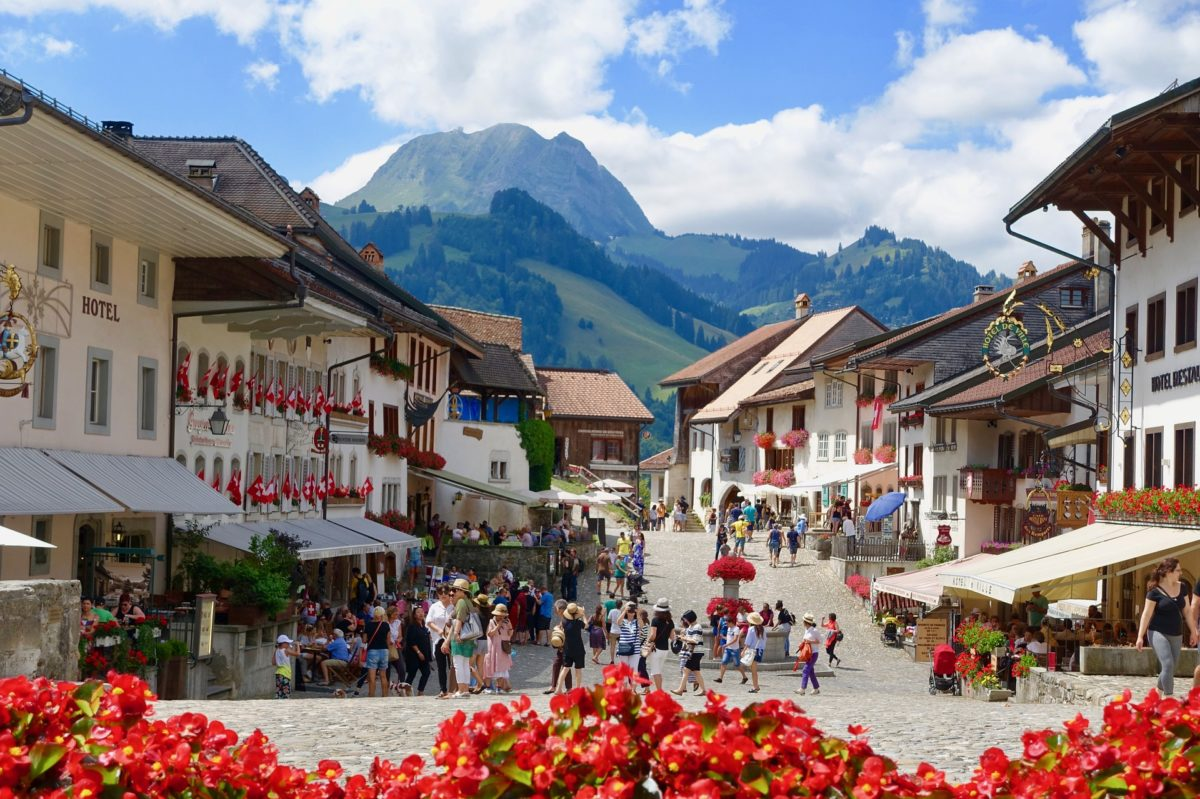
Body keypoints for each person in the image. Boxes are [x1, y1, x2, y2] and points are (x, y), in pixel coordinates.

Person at [1136, 557, 1196, 696]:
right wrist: (1140, 636)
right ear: (1169, 572)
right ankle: (1169, 699)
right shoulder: (1154, 591)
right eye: (1178, 570)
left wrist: (1193, 631)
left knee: (1170, 668)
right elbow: (1146, 614)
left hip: (1176, 633)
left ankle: (1157, 692)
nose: (1180, 573)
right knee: (1168, 664)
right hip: (1157, 632)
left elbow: (1187, 610)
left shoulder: (1183, 587)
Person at [426, 585, 455, 697]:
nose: (443, 594)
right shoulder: (434, 607)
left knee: (453, 665)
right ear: (437, 594)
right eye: (440, 592)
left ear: (449, 593)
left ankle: (454, 689)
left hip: (451, 639)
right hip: (438, 639)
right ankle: (443, 689)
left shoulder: (453, 607)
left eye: (445, 592)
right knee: (441, 666)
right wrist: (438, 630)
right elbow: (428, 621)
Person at [360, 606, 392, 698]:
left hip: (373, 651)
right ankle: (385, 696)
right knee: (383, 676)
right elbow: (388, 641)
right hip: (384, 651)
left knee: (372, 677)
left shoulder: (368, 625)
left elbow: (364, 640)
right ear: (382, 614)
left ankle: (371, 696)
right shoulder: (386, 625)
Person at [557, 603, 587, 694]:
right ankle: (577, 689)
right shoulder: (578, 623)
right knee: (578, 670)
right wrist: (583, 615)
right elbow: (587, 625)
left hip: (567, 648)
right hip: (578, 648)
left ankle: (558, 689)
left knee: (565, 668)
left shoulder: (564, 622)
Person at [403, 605, 432, 695]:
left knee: (426, 672)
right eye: (418, 612)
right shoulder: (412, 626)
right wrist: (418, 652)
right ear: (414, 615)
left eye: (422, 612)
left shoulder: (424, 626)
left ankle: (420, 691)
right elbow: (411, 641)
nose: (421, 614)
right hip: (414, 654)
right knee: (412, 674)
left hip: (424, 654)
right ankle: (405, 691)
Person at [647, 598, 675, 692]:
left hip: (656, 649)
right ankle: (648, 689)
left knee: (656, 672)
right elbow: (672, 637)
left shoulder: (655, 620)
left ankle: (659, 692)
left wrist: (647, 641)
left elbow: (653, 635)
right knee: (658, 671)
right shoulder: (670, 621)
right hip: (665, 649)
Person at [486, 604, 514, 694]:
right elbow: (490, 634)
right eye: (500, 615)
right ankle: (495, 687)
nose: (502, 617)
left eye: (503, 615)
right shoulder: (491, 622)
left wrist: (510, 628)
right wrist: (498, 625)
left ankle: (499, 687)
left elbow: (510, 633)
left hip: (504, 647)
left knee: (503, 668)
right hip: (495, 647)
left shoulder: (507, 621)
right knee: (497, 667)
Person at [714, 611, 748, 685]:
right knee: (723, 662)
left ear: (731, 622)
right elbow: (729, 638)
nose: (726, 624)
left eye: (727, 623)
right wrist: (723, 637)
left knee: (737, 665)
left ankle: (745, 677)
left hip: (735, 650)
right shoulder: (729, 629)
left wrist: (726, 645)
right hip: (728, 649)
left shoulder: (736, 629)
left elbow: (736, 639)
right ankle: (720, 678)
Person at [795, 613, 822, 695]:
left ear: (805, 622)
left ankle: (803, 688)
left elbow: (820, 641)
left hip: (813, 653)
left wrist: (810, 641)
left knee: (805, 670)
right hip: (808, 653)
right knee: (810, 671)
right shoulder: (806, 630)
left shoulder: (815, 631)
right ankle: (816, 688)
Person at [616, 602, 641, 677]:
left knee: (634, 669)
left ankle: (633, 689)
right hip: (624, 647)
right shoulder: (623, 621)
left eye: (632, 609)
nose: (631, 611)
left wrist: (638, 613)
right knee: (624, 669)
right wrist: (624, 611)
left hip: (635, 649)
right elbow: (618, 622)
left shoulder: (637, 621)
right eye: (630, 609)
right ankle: (625, 687)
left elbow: (642, 625)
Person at [744, 612, 766, 692]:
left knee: (753, 671)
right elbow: (764, 641)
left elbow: (748, 642)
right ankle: (756, 686)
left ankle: (755, 687)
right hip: (759, 650)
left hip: (752, 650)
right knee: (754, 670)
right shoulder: (763, 629)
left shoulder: (751, 629)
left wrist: (743, 651)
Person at [274, 634, 300, 699]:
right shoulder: (286, 650)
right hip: (285, 674)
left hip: (278, 674)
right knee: (286, 694)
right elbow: (298, 654)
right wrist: (297, 645)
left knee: (279, 693)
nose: (288, 644)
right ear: (283, 643)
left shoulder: (277, 650)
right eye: (287, 643)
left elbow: (273, 662)